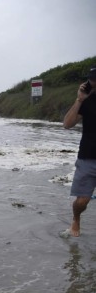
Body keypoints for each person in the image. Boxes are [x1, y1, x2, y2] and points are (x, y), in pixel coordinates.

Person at [62, 67, 96, 237]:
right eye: (91, 79)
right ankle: (76, 219)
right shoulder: (86, 100)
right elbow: (67, 124)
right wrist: (79, 100)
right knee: (82, 201)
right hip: (87, 157)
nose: (93, 83)